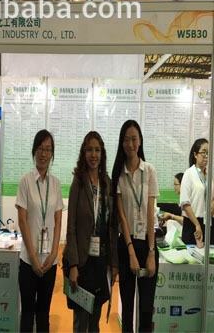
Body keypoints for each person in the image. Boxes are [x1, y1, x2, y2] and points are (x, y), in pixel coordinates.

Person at [63, 131, 118, 332]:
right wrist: (73, 265)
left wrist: (114, 262)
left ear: (102, 153)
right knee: (80, 320)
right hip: (82, 262)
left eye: (97, 150)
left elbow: (112, 227)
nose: (93, 155)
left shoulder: (107, 183)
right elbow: (71, 227)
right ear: (83, 153)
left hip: (101, 261)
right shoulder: (78, 182)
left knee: (95, 320)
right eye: (89, 150)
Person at [111, 120, 159, 333]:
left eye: (134, 139)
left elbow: (150, 212)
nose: (130, 144)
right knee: (128, 309)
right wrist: (130, 252)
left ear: (140, 141)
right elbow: (121, 216)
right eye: (126, 139)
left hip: (147, 243)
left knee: (146, 311)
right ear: (122, 143)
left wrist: (151, 252)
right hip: (127, 244)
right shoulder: (119, 174)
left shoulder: (149, 170)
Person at [16, 130, 63, 332]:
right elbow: (22, 220)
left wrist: (54, 253)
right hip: (29, 261)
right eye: (41, 148)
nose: (44, 154)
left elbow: (58, 220)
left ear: (52, 154)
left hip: (49, 262)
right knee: (28, 314)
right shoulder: (25, 181)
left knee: (44, 314)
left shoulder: (56, 184)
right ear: (34, 150)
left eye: (48, 149)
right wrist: (34, 258)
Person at [180, 138, 213, 245]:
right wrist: (197, 224)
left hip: (208, 223)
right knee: (193, 254)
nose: (206, 156)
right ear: (195, 154)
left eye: (208, 153)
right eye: (204, 152)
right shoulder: (189, 174)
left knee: (208, 253)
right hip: (192, 224)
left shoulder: (209, 175)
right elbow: (185, 203)